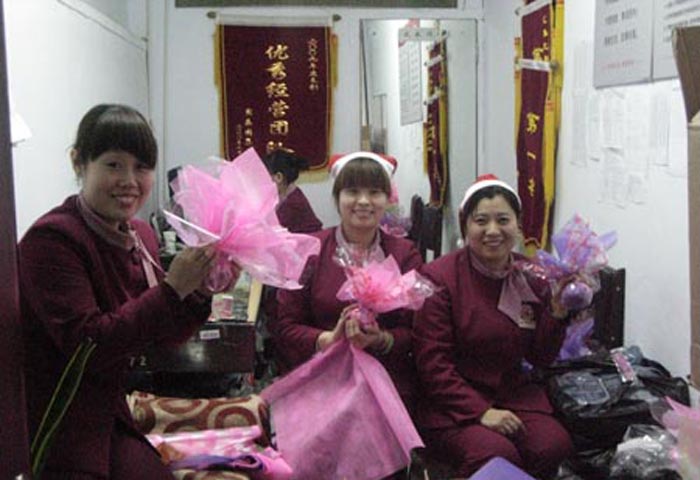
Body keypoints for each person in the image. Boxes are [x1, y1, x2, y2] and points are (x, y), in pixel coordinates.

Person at [19, 104, 228, 479]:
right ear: (79, 162)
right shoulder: (52, 241)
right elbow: (89, 346)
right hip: (57, 421)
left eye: (141, 167)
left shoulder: (140, 234)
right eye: (113, 165)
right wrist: (172, 290)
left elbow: (161, 339)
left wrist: (198, 291)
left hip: (109, 411)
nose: (129, 180)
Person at [412, 174, 574, 478]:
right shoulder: (439, 278)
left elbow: (540, 357)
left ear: (518, 225)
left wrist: (557, 312)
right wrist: (480, 411)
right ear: (465, 226)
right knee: (496, 455)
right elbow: (432, 363)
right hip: (451, 405)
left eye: (503, 220)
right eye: (481, 221)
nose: (492, 231)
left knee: (552, 445)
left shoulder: (531, 276)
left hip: (512, 396)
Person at [269, 151, 422, 413]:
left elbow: (419, 331)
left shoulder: (405, 255)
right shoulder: (311, 250)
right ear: (337, 197)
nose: (363, 201)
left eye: (374, 192)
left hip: (387, 386)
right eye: (352, 191)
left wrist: (382, 339)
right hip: (321, 383)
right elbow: (284, 326)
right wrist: (327, 339)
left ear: (387, 198)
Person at [263, 148, 322, 234]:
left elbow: (271, 230)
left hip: (311, 240)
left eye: (264, 176)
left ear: (278, 177)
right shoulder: (285, 193)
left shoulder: (293, 203)